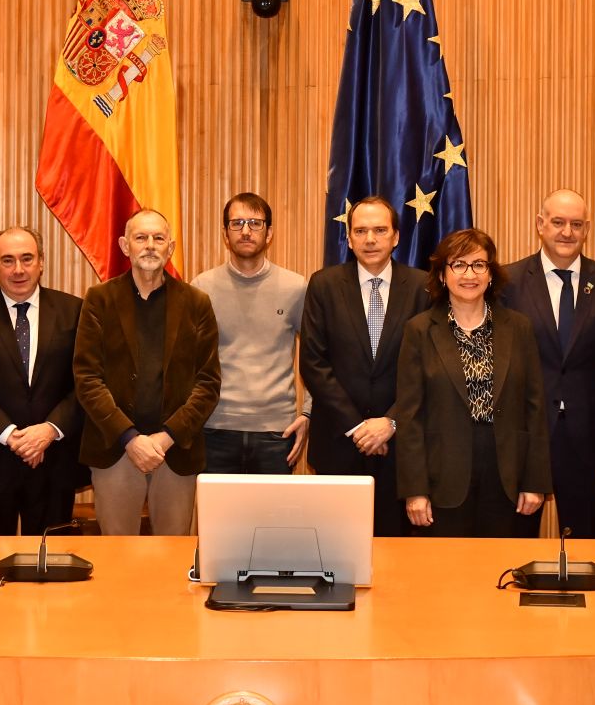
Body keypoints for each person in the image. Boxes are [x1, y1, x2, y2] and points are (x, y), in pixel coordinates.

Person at [73, 209, 222, 535]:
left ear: (170, 248)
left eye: (158, 238)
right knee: (117, 558)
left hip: (175, 451)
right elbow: (87, 379)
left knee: (172, 559)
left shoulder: (197, 303)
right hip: (116, 449)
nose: (150, 245)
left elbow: (208, 382)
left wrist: (166, 437)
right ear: (125, 246)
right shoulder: (99, 300)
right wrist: (130, 439)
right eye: (141, 238)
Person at [396, 229, 551, 537]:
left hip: (507, 474)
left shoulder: (518, 327)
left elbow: (535, 408)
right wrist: (415, 489)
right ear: (442, 274)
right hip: (443, 475)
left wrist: (535, 482)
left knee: (503, 572)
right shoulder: (419, 330)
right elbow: (409, 416)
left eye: (479, 265)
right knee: (448, 576)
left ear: (491, 274)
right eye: (458, 265)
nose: (470, 274)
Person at [503, 189, 595, 538]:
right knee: (516, 539)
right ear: (540, 225)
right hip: (525, 432)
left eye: (576, 224)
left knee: (583, 540)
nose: (566, 232)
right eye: (558, 222)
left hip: (586, 433)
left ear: (587, 229)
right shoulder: (507, 282)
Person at [301, 196, 430, 536]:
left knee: (399, 556)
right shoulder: (323, 285)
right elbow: (314, 363)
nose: (370, 239)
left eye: (379, 230)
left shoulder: (422, 287)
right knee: (335, 549)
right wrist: (358, 427)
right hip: (339, 444)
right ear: (349, 237)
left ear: (396, 236)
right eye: (361, 231)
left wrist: (391, 421)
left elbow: (431, 369)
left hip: (402, 447)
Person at [0, 226, 86, 535]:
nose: (18, 269)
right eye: (8, 260)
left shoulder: (76, 311)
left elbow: (85, 383)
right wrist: (9, 434)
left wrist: (49, 429)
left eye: (27, 259)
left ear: (41, 262)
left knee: (50, 564)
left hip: (53, 460)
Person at [192, 192, 310, 474]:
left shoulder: (295, 287)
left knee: (272, 519)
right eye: (237, 223)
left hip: (277, 432)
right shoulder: (201, 288)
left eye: (255, 223)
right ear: (225, 233)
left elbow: (319, 355)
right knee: (218, 519)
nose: (246, 231)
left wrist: (308, 412)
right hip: (214, 429)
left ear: (269, 233)